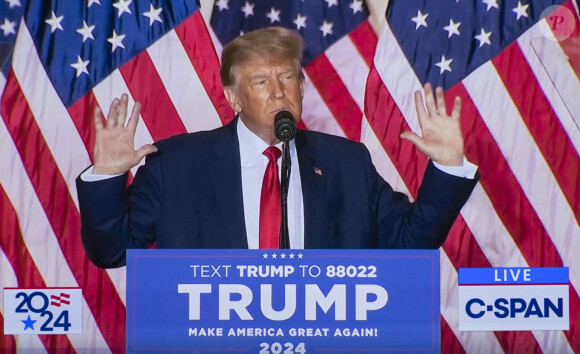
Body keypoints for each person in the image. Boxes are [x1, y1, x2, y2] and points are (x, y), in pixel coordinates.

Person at [76, 27, 478, 269]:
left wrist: (446, 167)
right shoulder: (177, 165)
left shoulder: (346, 163)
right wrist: (109, 175)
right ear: (233, 98)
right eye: (260, 82)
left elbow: (410, 242)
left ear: (302, 89)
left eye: (287, 78)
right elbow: (111, 252)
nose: (278, 91)